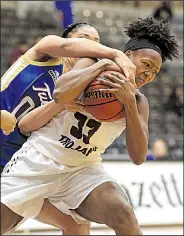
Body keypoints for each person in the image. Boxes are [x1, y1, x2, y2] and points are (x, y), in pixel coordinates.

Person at [1, 16, 178, 235]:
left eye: (154, 72)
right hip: (39, 158)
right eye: (146, 65)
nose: (148, 74)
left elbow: (139, 157)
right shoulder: (91, 63)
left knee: (123, 213)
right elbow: (59, 92)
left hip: (82, 169)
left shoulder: (140, 102)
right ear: (127, 55)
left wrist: (129, 103)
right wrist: (104, 64)